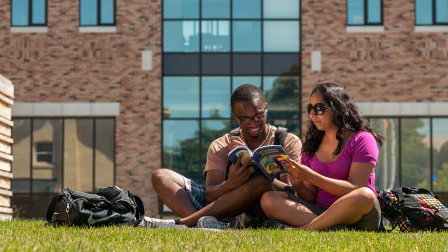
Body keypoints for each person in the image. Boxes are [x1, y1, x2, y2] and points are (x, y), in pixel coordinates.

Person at [144, 83, 302, 229]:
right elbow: (209, 196)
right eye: (245, 119)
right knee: (161, 176)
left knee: (260, 180)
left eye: (259, 116)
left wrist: (265, 176)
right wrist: (231, 183)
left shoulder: (287, 141)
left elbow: (293, 193)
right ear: (235, 117)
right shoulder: (222, 145)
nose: (253, 123)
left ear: (266, 108)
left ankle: (187, 223)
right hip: (226, 210)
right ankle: (202, 224)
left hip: (265, 208)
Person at [260, 81, 384, 231]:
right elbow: (311, 198)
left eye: (319, 108)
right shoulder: (312, 146)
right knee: (269, 199)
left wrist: (311, 176)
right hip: (320, 211)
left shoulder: (362, 139)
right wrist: (298, 182)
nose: (312, 114)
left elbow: (354, 188)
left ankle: (305, 230)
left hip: (358, 213)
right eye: (310, 108)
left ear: (337, 108)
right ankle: (332, 228)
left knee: (365, 195)